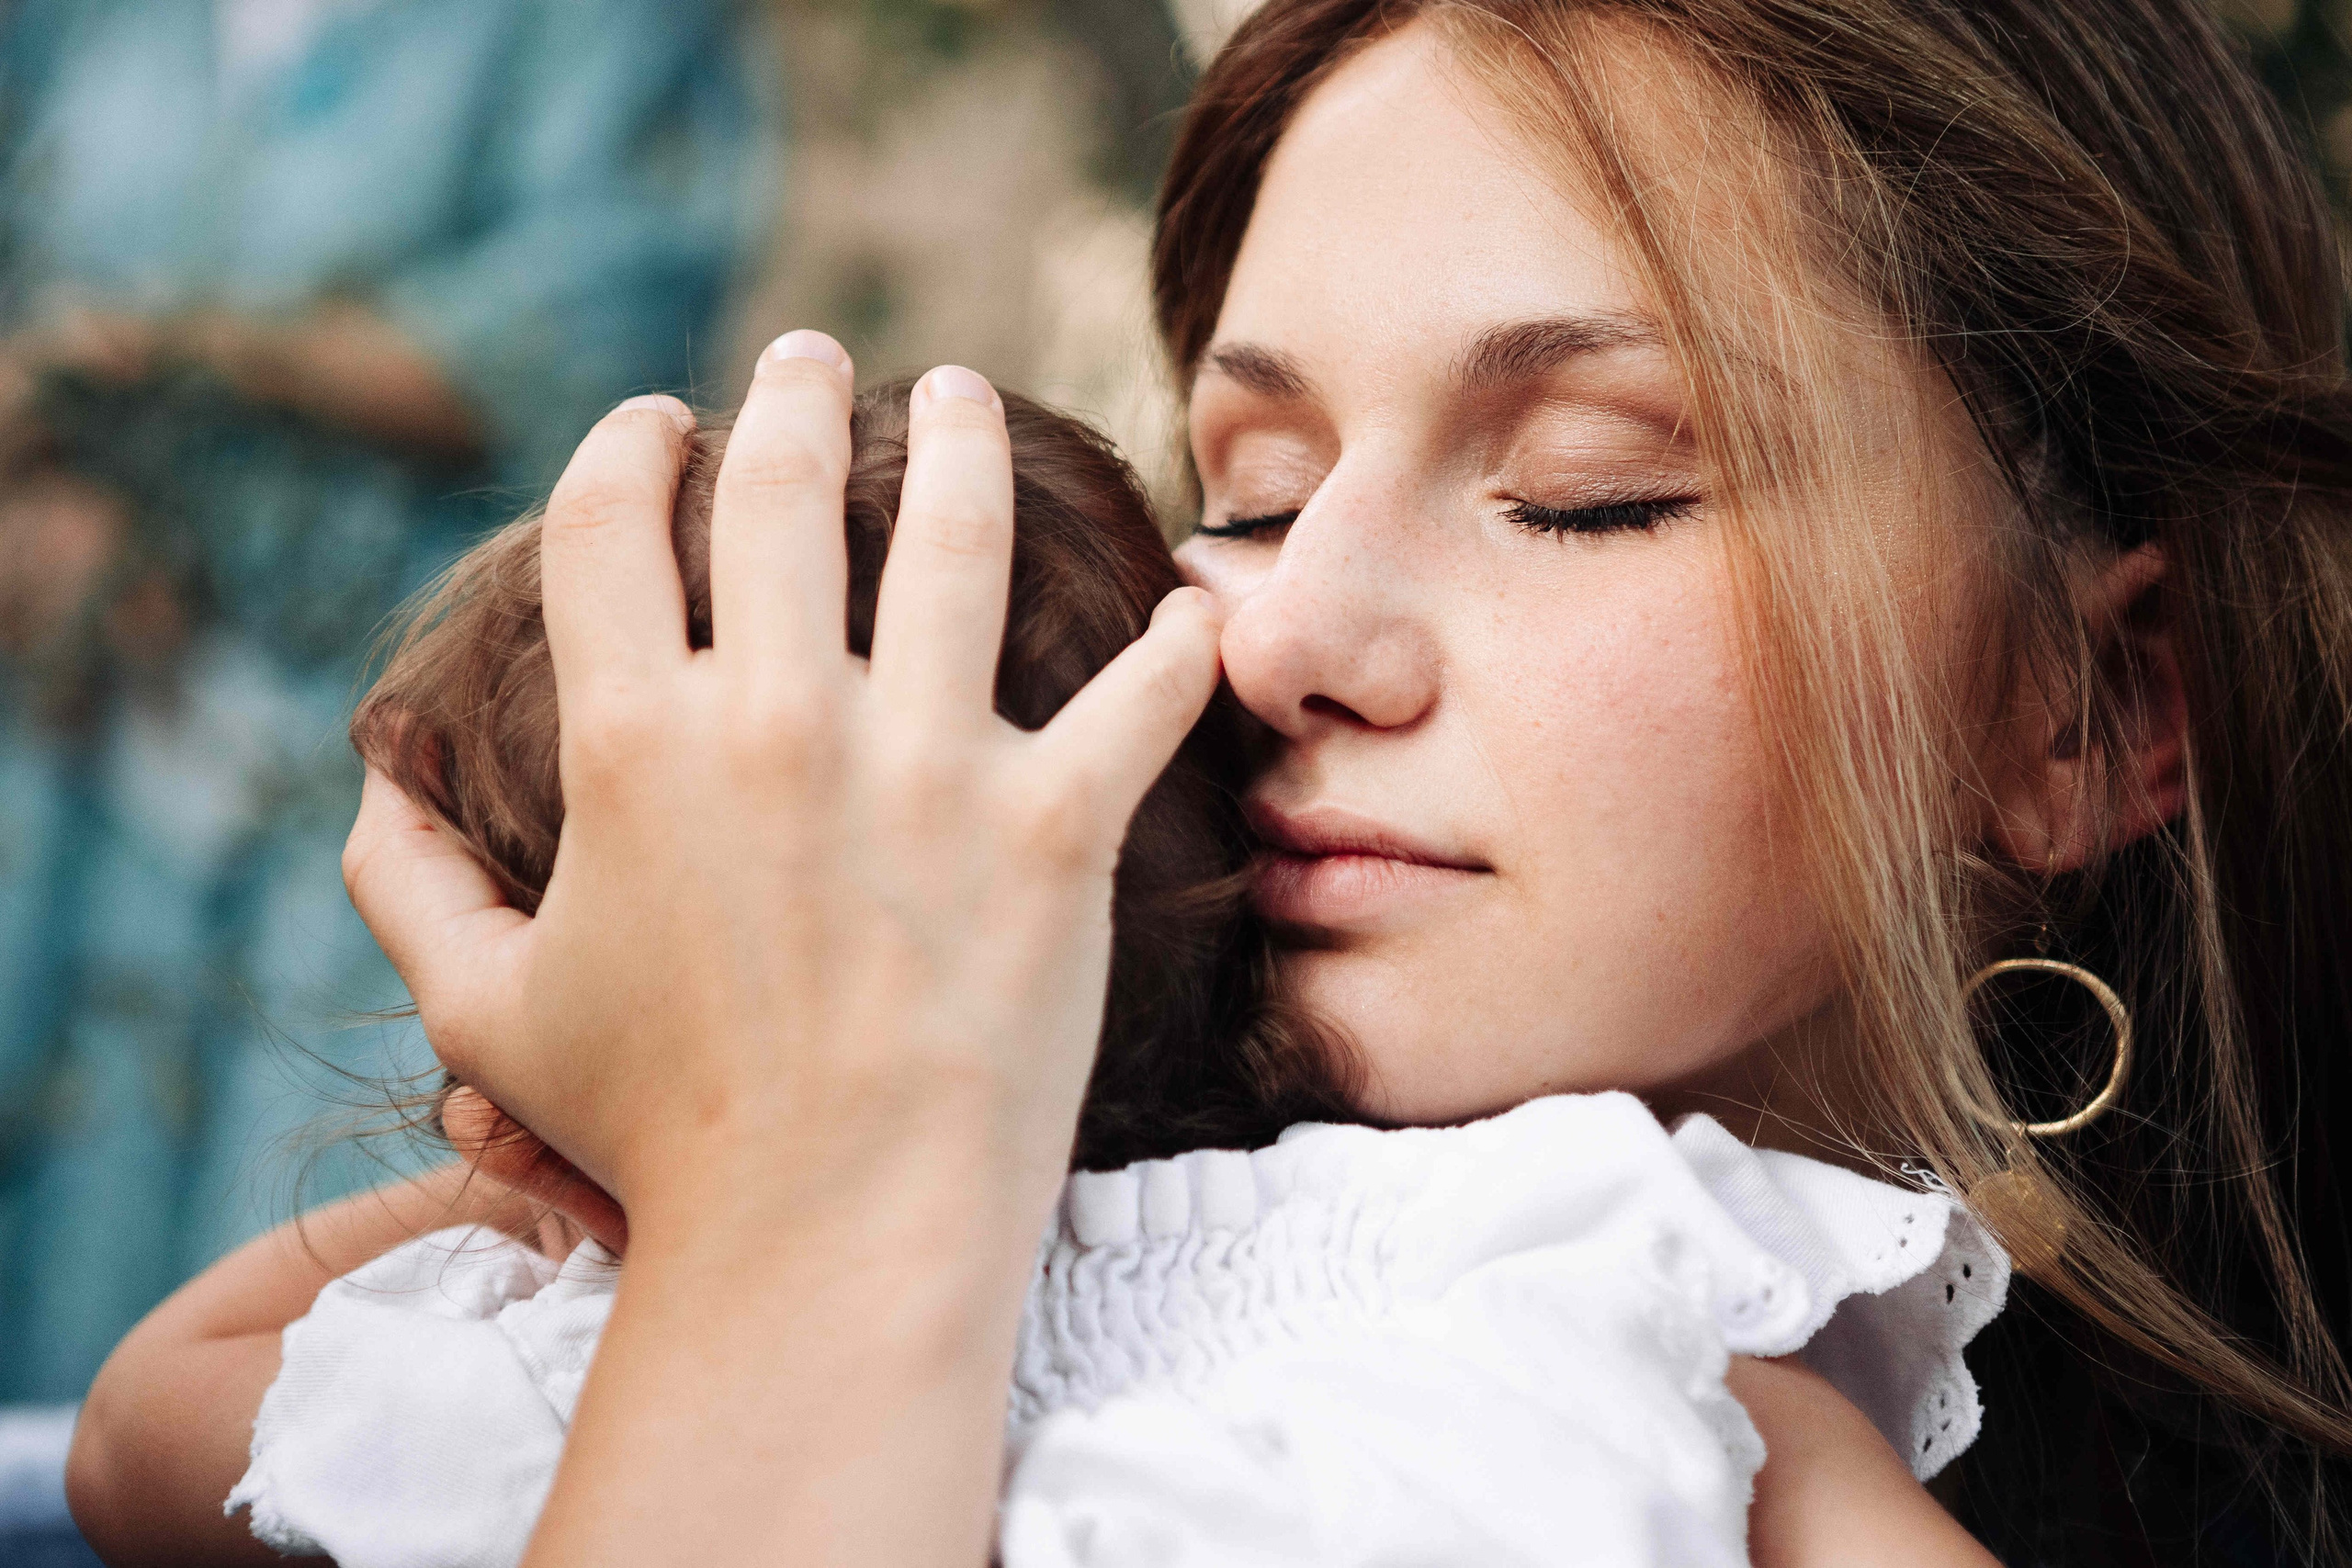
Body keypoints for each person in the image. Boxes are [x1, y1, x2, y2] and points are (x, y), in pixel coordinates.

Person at [73, 0, 2352, 1560]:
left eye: (1584, 485)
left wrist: (803, 1182)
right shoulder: (977, 1167)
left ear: (2083, 708)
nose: (1267, 629)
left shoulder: (1690, 1398)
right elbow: (144, 1443)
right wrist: (701, 1109)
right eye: (1247, 487)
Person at [0, 0, 767, 1407]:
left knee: (313, 1274)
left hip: (389, 734)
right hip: (68, 731)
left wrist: (198, 365)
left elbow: (607, 321)